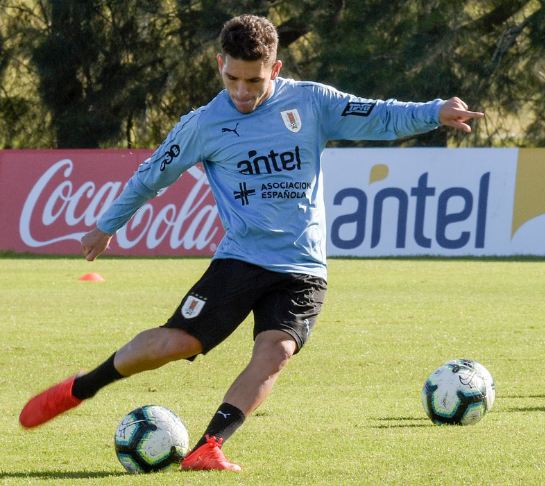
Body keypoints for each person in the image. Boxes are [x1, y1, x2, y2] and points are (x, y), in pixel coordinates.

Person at [19, 14, 483, 471]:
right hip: (242, 259)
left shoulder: (311, 103)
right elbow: (151, 176)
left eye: (254, 81)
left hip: (303, 266)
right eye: (232, 78)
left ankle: (209, 447)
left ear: (275, 70)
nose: (241, 91)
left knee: (277, 351)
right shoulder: (203, 124)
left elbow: (379, 115)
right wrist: (107, 224)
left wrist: (434, 111)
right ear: (220, 63)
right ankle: (83, 387)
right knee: (176, 343)